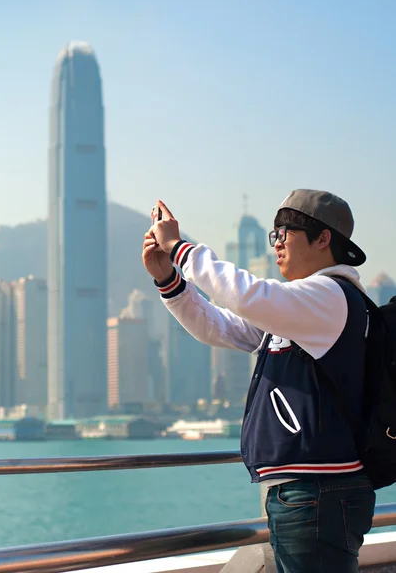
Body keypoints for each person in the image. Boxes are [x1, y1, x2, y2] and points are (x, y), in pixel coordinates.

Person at [142, 189, 375, 573]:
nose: (277, 242)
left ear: (323, 238)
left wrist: (180, 248)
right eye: (274, 233)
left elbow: (247, 296)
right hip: (302, 492)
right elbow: (220, 327)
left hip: (318, 491)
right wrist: (168, 279)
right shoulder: (300, 308)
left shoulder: (331, 296)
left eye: (287, 231)